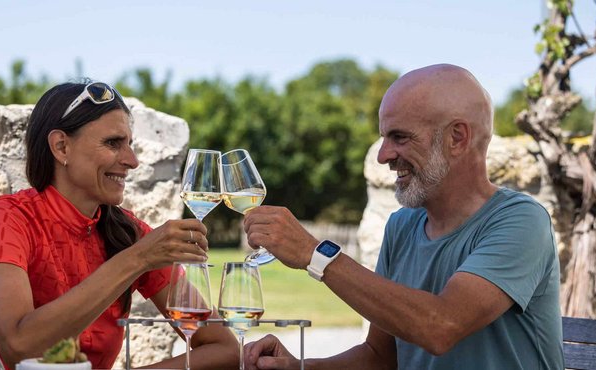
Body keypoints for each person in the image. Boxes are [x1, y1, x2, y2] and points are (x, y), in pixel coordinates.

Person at [241, 64, 563, 369]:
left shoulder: (522, 222)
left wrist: (315, 255)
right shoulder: (402, 226)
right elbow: (380, 358)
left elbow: (442, 326)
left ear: (457, 138)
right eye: (384, 138)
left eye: (400, 137)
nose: (383, 156)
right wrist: (299, 367)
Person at [0, 82, 237, 369]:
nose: (132, 161)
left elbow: (224, 348)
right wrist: (138, 259)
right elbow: (18, 347)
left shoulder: (129, 233)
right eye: (113, 143)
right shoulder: (8, 217)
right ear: (61, 147)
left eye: (130, 144)